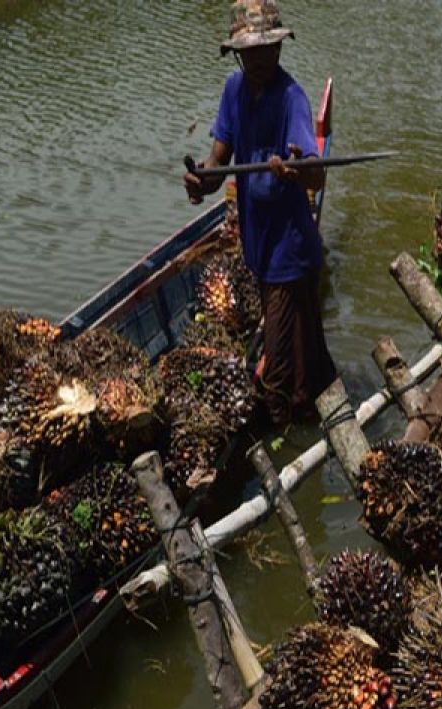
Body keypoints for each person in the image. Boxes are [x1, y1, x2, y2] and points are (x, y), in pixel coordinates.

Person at [184, 0, 337, 425]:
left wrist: (296, 169)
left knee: (277, 377)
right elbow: (219, 162)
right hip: (259, 247)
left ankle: (280, 444)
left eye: (263, 50)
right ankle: (316, 408)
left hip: (290, 252)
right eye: (247, 52)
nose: (256, 60)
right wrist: (201, 180)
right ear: (238, 53)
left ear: (278, 49)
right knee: (307, 359)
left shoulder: (292, 98)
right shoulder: (234, 91)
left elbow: (316, 176)